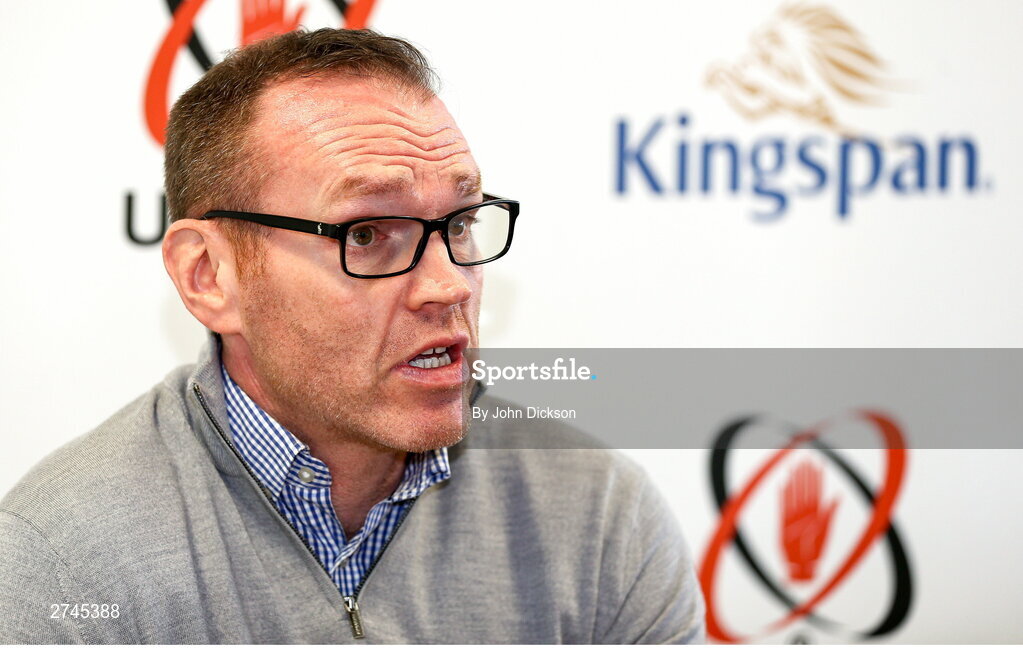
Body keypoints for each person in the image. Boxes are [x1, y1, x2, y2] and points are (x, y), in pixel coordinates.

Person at [0, 29, 704, 643]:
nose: (449, 285)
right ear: (209, 275)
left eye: (458, 223)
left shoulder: (597, 514)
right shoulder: (63, 560)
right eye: (366, 234)